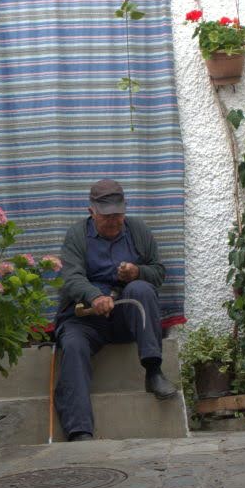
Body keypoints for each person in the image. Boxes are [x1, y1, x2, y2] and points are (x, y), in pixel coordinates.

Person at [54, 179, 178, 441]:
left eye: (118, 215)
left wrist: (137, 272)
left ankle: (153, 371)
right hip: (86, 318)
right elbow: (71, 277)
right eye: (106, 217)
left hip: (124, 315)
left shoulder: (137, 230)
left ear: (125, 210)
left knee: (141, 289)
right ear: (92, 212)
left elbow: (158, 272)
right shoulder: (77, 234)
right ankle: (80, 432)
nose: (113, 222)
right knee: (73, 346)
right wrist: (94, 295)